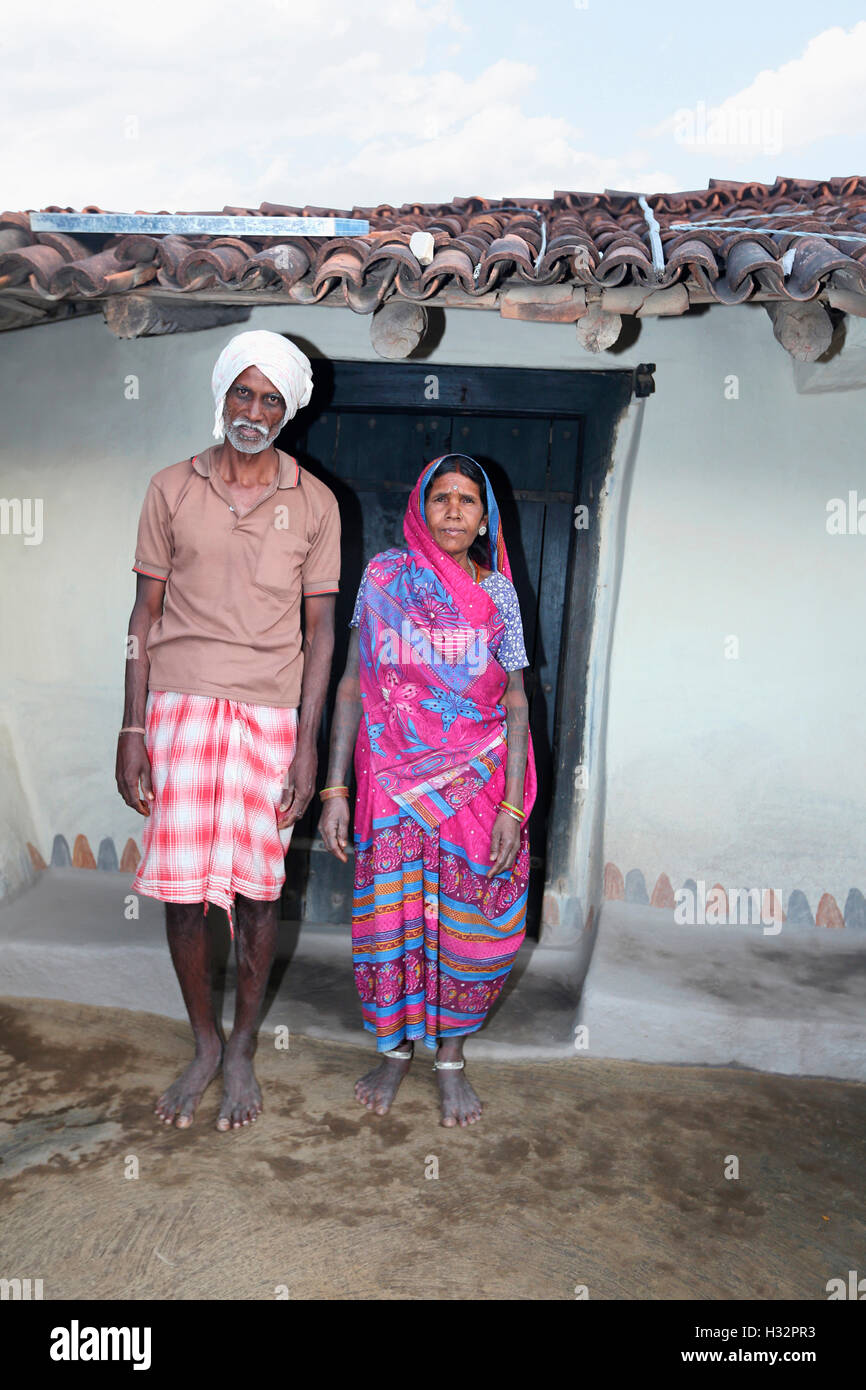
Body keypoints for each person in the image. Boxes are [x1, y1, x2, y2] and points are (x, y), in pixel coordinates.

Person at [115, 330, 340, 1132]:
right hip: (176, 708)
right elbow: (143, 616)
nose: (254, 411)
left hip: (270, 717)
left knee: (256, 891)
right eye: (243, 394)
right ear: (222, 397)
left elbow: (321, 633)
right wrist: (132, 725)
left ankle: (243, 1044)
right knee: (180, 893)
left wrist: (308, 743)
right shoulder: (170, 487)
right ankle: (203, 1042)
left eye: (271, 398)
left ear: (289, 410)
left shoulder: (315, 502)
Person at [319, 454, 535, 1128]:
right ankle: (395, 1051)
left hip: (478, 784)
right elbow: (353, 682)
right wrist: (334, 787)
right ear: (420, 505)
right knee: (393, 920)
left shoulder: (497, 593)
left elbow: (520, 703)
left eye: (467, 500)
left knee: (471, 926)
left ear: (483, 518)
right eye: (440, 497)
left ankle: (450, 1057)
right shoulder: (384, 578)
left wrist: (511, 806)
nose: (452, 510)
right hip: (390, 782)